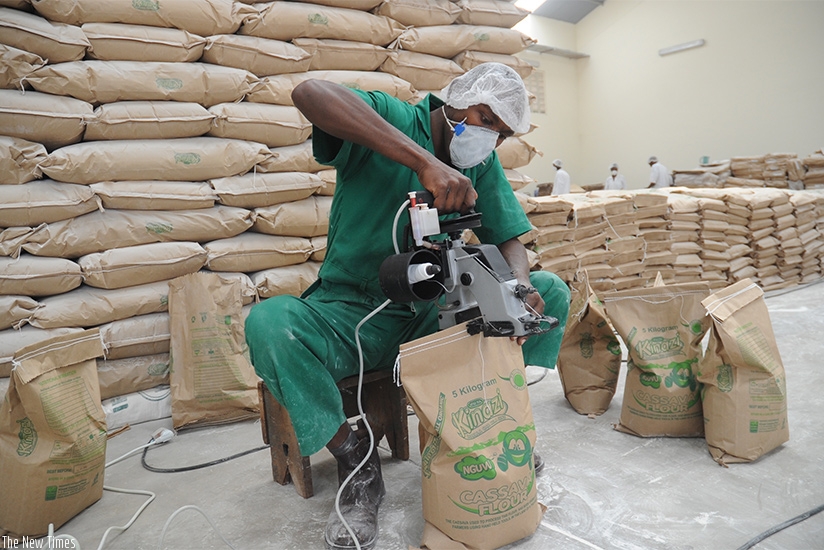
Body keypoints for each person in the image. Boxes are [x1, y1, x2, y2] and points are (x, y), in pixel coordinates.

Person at [244, 63, 570, 550]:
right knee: (271, 323)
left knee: (552, 290)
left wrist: (518, 287)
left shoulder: (479, 161)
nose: (489, 138)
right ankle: (356, 459)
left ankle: (493, 427)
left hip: (432, 317)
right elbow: (309, 92)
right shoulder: (392, 117)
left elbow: (508, 238)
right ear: (455, 101)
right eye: (484, 118)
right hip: (352, 314)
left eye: (500, 133)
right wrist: (424, 163)